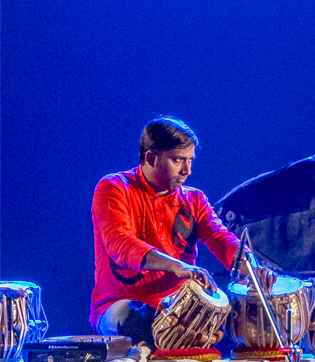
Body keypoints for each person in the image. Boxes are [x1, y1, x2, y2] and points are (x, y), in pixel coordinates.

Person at [90, 117, 244, 344]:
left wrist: (251, 267)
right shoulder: (114, 187)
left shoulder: (195, 199)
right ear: (151, 158)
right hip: (121, 306)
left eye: (190, 160)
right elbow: (120, 244)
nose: (187, 170)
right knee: (135, 317)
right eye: (178, 160)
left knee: (236, 318)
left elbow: (221, 238)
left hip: (178, 310)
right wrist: (177, 265)